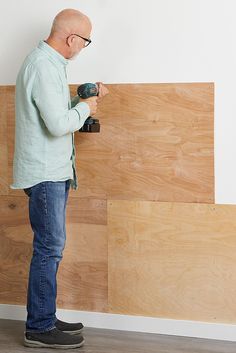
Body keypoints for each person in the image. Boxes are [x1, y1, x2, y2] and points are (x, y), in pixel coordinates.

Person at [10, 8, 109, 349]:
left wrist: (80, 98)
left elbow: (51, 111)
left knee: (50, 248)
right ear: (72, 38)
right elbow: (57, 124)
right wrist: (87, 109)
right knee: (49, 249)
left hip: (52, 171)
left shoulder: (49, 64)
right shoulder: (42, 65)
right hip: (45, 173)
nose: (83, 47)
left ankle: (46, 317)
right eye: (85, 41)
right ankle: (38, 327)